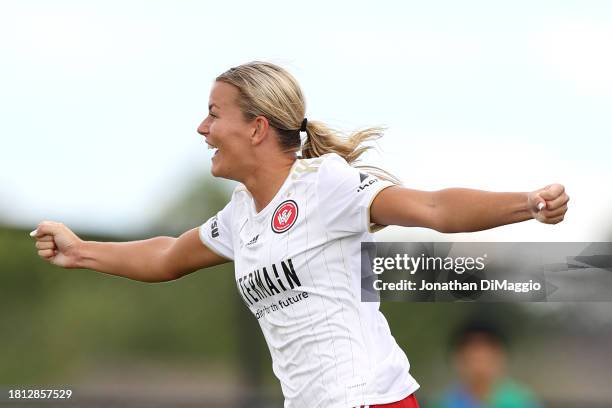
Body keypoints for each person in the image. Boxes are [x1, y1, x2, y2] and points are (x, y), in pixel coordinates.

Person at [30, 61, 569, 408]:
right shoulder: (242, 215)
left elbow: (431, 206)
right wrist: (80, 251)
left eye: (214, 114)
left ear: (258, 127)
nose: (202, 128)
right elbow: (168, 256)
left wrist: (527, 204)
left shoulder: (324, 186)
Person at [434, 319, 542, 408]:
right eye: (472, 358)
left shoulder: (522, 401)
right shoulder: (445, 403)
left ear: (500, 356)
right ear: (457, 358)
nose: (478, 366)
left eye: (485, 357)